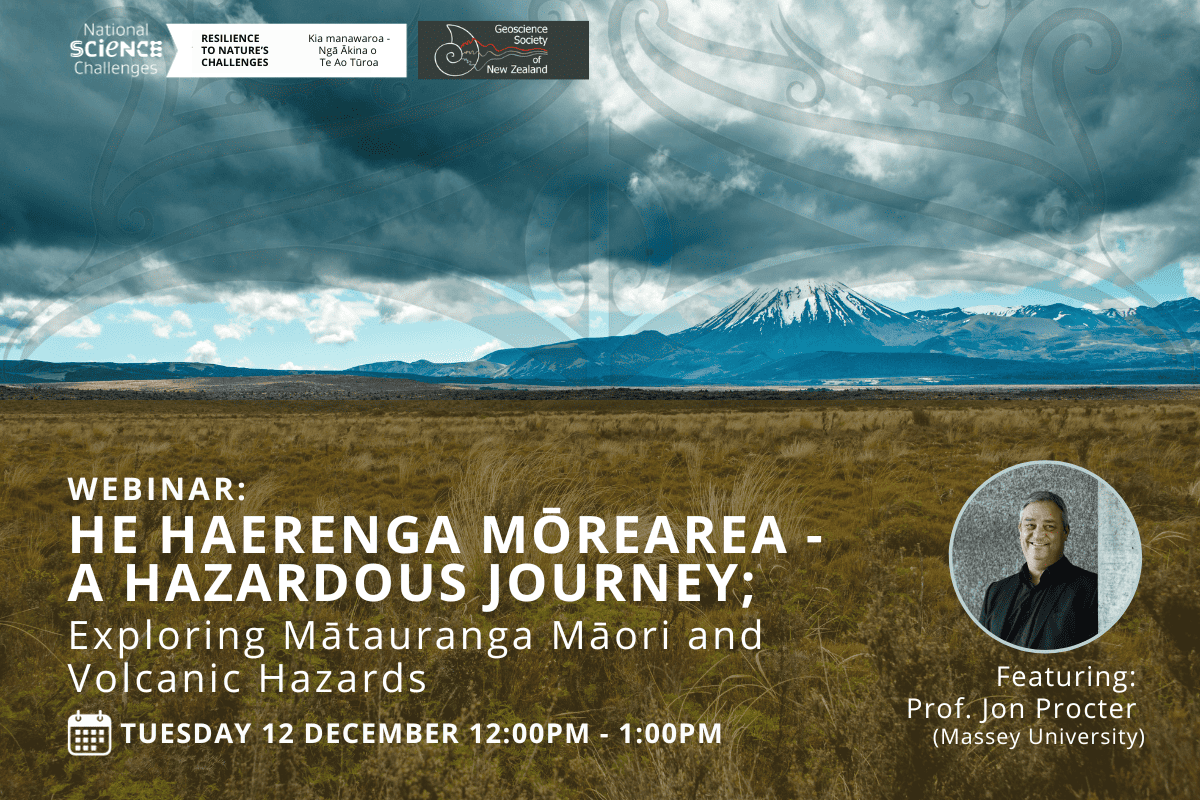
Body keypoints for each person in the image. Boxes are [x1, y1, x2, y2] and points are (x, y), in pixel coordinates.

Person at [979, 490, 1098, 649]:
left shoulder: (1094, 590)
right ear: (1020, 530)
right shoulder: (996, 592)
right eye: (1030, 525)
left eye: (1049, 526)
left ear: (1065, 532)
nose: (1039, 534)